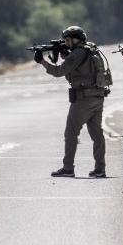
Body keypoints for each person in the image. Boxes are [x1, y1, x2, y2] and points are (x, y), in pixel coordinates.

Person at [38, 26, 107, 178]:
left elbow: (58, 72)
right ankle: (100, 169)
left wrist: (42, 62)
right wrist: (66, 55)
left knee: (71, 132)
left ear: (76, 40)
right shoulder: (89, 49)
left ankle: (68, 168)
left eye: (68, 40)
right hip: (97, 95)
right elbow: (80, 69)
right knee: (97, 134)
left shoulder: (77, 53)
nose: (67, 43)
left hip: (83, 99)